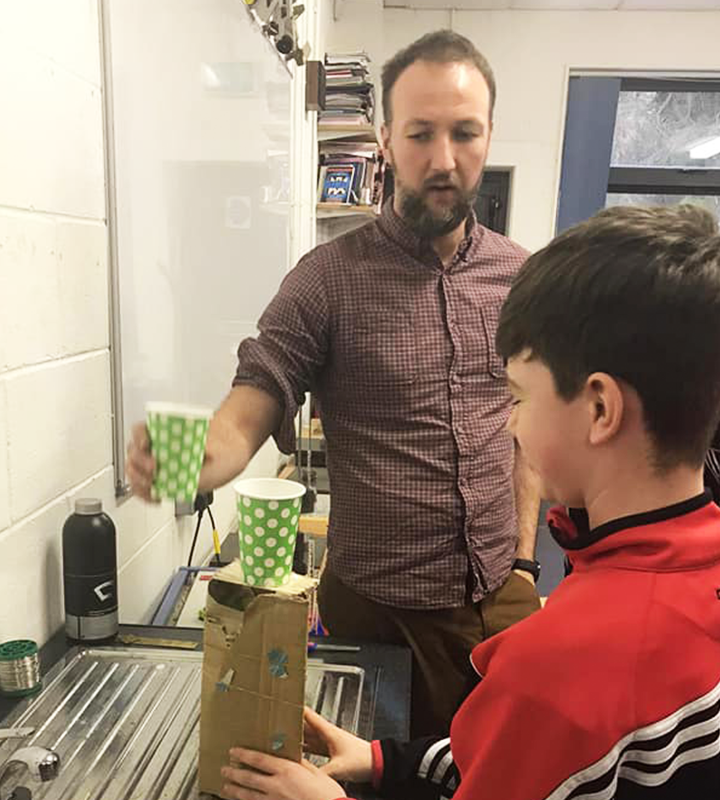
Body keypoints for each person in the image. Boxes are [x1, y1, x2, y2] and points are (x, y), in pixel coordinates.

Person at [218, 204, 720, 800]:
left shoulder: (556, 668)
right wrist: (385, 760)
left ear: (600, 409)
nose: (508, 422)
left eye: (516, 398)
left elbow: (542, 729)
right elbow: (522, 753)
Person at [126, 30, 541, 737]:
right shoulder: (326, 281)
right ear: (384, 139)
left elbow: (527, 425)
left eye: (465, 133)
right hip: (377, 623)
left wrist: (528, 561)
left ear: (490, 133)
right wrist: (201, 454)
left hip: (503, 605)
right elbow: (255, 396)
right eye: (419, 134)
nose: (444, 160)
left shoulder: (523, 278)